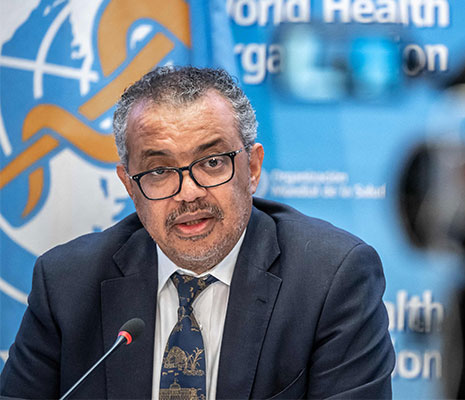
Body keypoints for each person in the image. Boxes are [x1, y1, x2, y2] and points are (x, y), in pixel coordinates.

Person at [0, 66, 395, 399]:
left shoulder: (331, 279)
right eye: (158, 171)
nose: (189, 193)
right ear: (129, 185)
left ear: (252, 168)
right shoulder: (67, 283)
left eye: (211, 163)